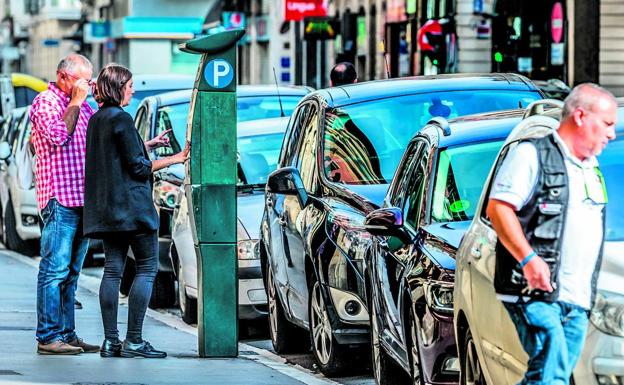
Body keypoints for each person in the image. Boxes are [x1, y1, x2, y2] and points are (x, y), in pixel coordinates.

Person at [487, 83, 617, 385]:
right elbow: (498, 209)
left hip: (579, 297)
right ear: (581, 116)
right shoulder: (532, 154)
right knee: (552, 375)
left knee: (546, 376)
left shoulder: (591, 167)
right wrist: (529, 259)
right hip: (536, 293)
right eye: (607, 124)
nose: (611, 134)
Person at [83, 64, 188, 359]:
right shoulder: (122, 118)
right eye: (129, 86)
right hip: (133, 211)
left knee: (113, 271)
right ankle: (135, 341)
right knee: (147, 268)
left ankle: (110, 341)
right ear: (118, 88)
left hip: (107, 212)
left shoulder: (97, 119)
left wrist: (148, 144)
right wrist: (176, 158)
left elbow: (119, 153)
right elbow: (139, 167)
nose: (133, 90)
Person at [30, 53, 99, 355]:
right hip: (59, 199)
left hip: (82, 200)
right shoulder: (45, 102)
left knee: (71, 274)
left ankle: (67, 334)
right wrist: (76, 102)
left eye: (89, 79)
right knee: (54, 270)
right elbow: (59, 135)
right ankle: (48, 337)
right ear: (63, 76)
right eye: (83, 79)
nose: (87, 85)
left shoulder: (84, 106)